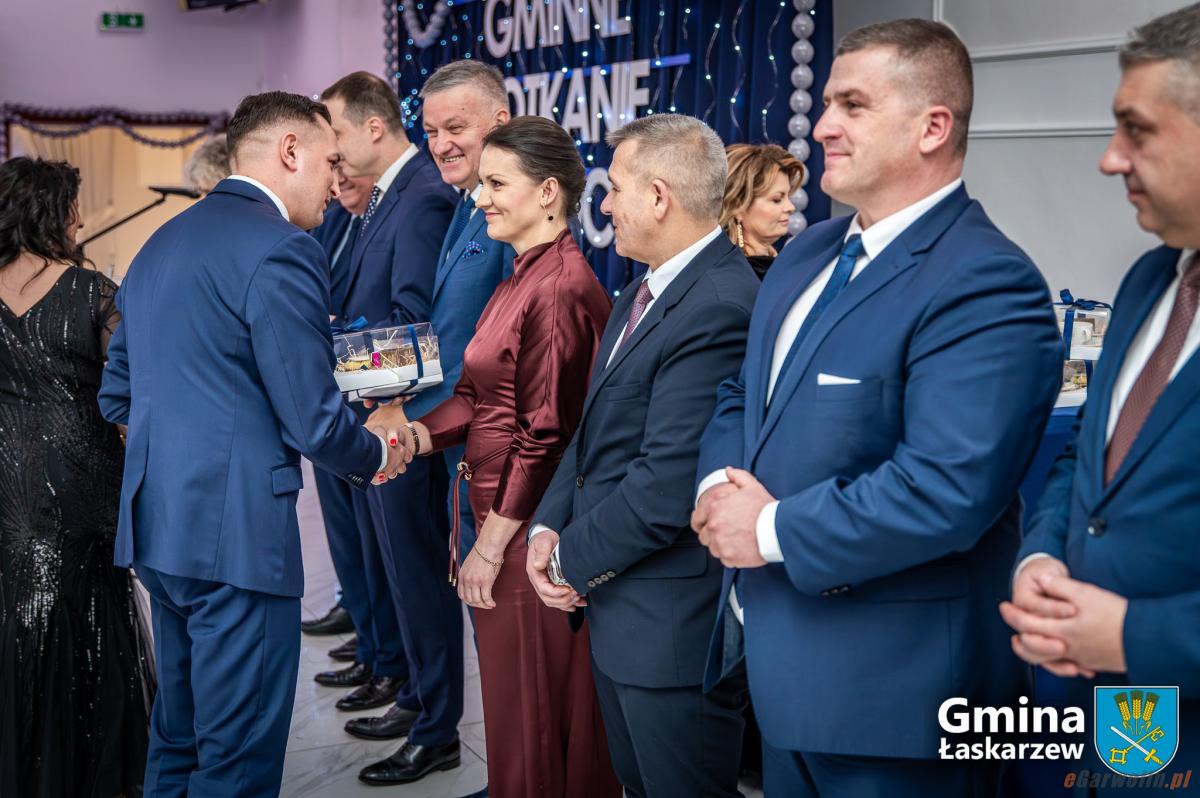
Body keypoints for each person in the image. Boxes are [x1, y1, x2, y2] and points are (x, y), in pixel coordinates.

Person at [691, 20, 1063, 797]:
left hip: (903, 703)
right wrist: (718, 488)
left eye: (852, 105)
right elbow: (741, 393)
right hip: (781, 679)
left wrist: (765, 530)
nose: (824, 126)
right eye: (827, 102)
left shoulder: (986, 280)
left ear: (933, 127)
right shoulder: (806, 254)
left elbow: (947, 490)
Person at [98, 91, 410, 798]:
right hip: (236, 541)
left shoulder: (160, 243)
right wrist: (377, 455)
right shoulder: (282, 248)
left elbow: (117, 393)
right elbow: (312, 418)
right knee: (236, 761)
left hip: (159, 530)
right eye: (330, 161)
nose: (337, 180)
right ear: (290, 151)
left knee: (178, 737)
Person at [365, 115, 620, 798]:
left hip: (526, 534)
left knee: (534, 718)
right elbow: (477, 398)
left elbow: (546, 435)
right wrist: (414, 438)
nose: (480, 199)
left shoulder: (559, 288)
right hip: (497, 517)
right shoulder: (519, 276)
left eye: (496, 185)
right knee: (512, 715)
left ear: (547, 192)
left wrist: (490, 545)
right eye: (482, 184)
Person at [527, 113, 759, 798]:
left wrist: (569, 561)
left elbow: (666, 485)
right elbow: (593, 432)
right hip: (624, 611)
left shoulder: (719, 305)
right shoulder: (641, 288)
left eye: (616, 189)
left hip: (673, 631)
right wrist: (548, 526)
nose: (604, 206)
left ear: (659, 197)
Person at [1003, 4, 1200, 789]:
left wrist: (1133, 635)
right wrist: (1043, 554)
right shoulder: (1151, 279)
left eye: (1137, 130)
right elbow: (1089, 456)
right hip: (1118, 740)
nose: (1110, 159)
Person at [311, 75, 460, 756]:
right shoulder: (386, 197)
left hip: (401, 418)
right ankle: (412, 695)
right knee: (393, 573)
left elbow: (414, 324)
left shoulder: (422, 196)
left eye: (336, 133)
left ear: (374, 127)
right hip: (373, 412)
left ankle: (435, 725)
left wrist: (329, 363)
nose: (332, 151)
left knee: (417, 578)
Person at [0, 157, 155, 798]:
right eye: (71, 209)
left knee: (19, 619)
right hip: (84, 480)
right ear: (48, 213)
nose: (80, 221)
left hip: (9, 486)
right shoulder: (93, 292)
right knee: (93, 627)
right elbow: (131, 395)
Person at [305, 165, 396, 673]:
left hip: (378, 403)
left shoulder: (411, 206)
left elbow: (411, 321)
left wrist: (337, 339)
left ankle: (387, 659)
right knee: (349, 539)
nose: (336, 177)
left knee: (383, 552)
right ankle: (368, 640)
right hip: (333, 399)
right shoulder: (333, 219)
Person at [719, 143, 804, 279]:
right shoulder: (732, 275)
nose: (791, 207)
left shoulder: (777, 264)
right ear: (737, 206)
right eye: (777, 199)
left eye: (789, 196)